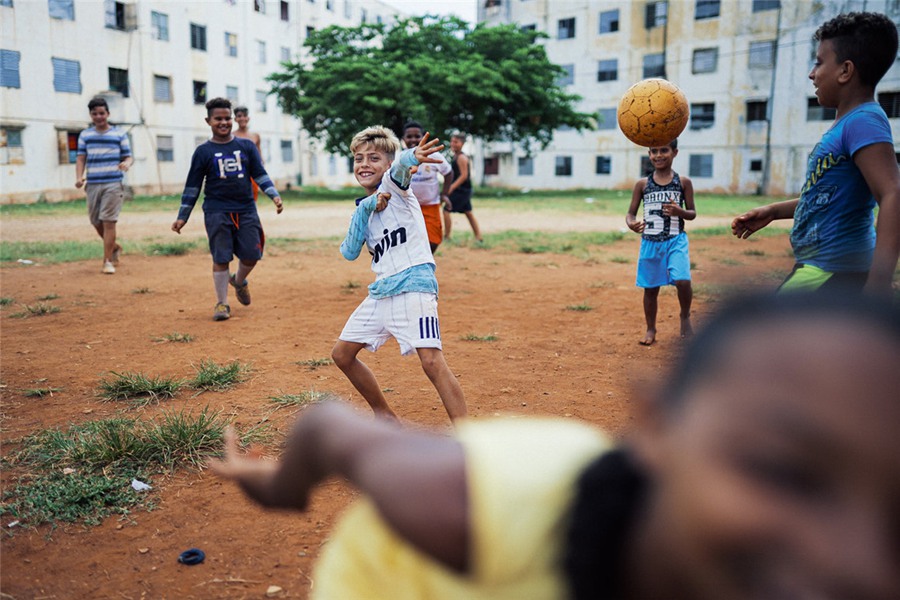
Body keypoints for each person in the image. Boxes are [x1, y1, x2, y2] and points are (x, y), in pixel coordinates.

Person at [211, 291, 900, 599]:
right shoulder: (471, 504)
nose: (861, 565)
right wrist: (277, 489)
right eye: (786, 473)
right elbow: (324, 427)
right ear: (654, 427)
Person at [732, 12, 900, 297]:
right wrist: (773, 211)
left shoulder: (864, 121)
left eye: (819, 62)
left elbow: (892, 193)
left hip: (833, 270)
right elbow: (825, 196)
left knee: (766, 336)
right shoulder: (848, 123)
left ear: (845, 71)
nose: (812, 73)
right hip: (826, 268)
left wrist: (879, 284)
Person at [331, 125, 467, 422]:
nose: (365, 164)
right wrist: (366, 207)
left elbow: (404, 166)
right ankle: (385, 414)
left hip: (414, 285)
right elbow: (349, 251)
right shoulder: (362, 210)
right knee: (342, 355)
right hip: (381, 292)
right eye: (359, 159)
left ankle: (469, 440)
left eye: (374, 158)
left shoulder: (395, 187)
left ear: (388, 164)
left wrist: (411, 156)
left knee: (431, 362)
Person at [171, 97, 283, 322]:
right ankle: (222, 302)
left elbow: (259, 174)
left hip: (246, 209)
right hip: (216, 210)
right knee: (221, 257)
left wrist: (274, 194)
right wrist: (182, 216)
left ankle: (239, 281)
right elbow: (193, 186)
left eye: (227, 118)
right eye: (218, 119)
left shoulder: (246, 146)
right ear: (208, 121)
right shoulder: (203, 152)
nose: (223, 122)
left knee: (252, 254)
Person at [625, 139, 696, 345]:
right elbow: (630, 213)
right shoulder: (643, 184)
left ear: (675, 152)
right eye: (654, 151)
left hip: (675, 240)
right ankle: (650, 329)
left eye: (664, 150)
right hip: (650, 242)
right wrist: (631, 224)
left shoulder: (683, 182)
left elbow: (692, 213)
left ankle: (684, 316)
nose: (659, 155)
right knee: (651, 287)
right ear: (649, 154)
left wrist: (680, 211)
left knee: (683, 280)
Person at [75, 96, 133, 275]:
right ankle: (114, 247)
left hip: (113, 183)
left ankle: (107, 261)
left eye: (102, 113)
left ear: (107, 113)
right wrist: (79, 177)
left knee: (109, 222)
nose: (99, 116)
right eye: (95, 114)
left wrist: (126, 164)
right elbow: (80, 157)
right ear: (91, 116)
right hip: (93, 183)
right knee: (95, 221)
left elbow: (128, 156)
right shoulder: (85, 135)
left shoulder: (119, 134)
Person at [402, 120, 454, 253]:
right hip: (406, 206)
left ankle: (425, 258)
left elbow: (448, 173)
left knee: (434, 240)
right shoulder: (400, 157)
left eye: (417, 136)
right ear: (403, 139)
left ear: (423, 137)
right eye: (409, 136)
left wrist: (445, 194)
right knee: (406, 239)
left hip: (430, 205)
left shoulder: (433, 155)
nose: (413, 139)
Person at [442, 132, 482, 243]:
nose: (453, 144)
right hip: (463, 190)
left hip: (462, 190)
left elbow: (464, 176)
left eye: (456, 142)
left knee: (446, 210)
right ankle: (478, 236)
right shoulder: (455, 156)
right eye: (452, 141)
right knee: (468, 212)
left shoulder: (461, 157)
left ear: (462, 143)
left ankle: (447, 236)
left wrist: (451, 188)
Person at [233, 105, 262, 203]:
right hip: (236, 173)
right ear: (235, 119)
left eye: (244, 116)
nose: (242, 118)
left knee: (252, 198)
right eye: (239, 116)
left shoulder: (255, 136)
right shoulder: (231, 136)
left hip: (252, 172)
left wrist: (261, 172)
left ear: (248, 118)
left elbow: (259, 155)